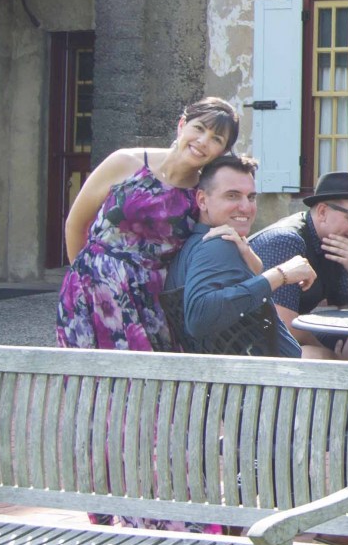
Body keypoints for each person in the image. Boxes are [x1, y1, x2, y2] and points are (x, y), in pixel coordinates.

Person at [56, 96, 238, 353]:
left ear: (222, 151)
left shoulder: (203, 194)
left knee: (146, 376)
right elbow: (76, 223)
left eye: (216, 139)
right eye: (199, 128)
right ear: (182, 125)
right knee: (84, 375)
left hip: (152, 303)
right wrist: (81, 279)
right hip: (90, 292)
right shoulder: (124, 162)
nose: (203, 141)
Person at [163, 153, 313, 357]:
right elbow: (199, 317)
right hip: (264, 374)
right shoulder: (217, 245)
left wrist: (250, 258)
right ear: (202, 200)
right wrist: (280, 275)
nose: (246, 207)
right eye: (232, 196)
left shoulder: (200, 245)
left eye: (251, 197)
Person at [247, 171, 348, 363]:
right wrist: (333, 356)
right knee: (316, 358)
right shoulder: (286, 240)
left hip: (283, 336)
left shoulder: (334, 243)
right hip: (249, 342)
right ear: (323, 212)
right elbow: (283, 324)